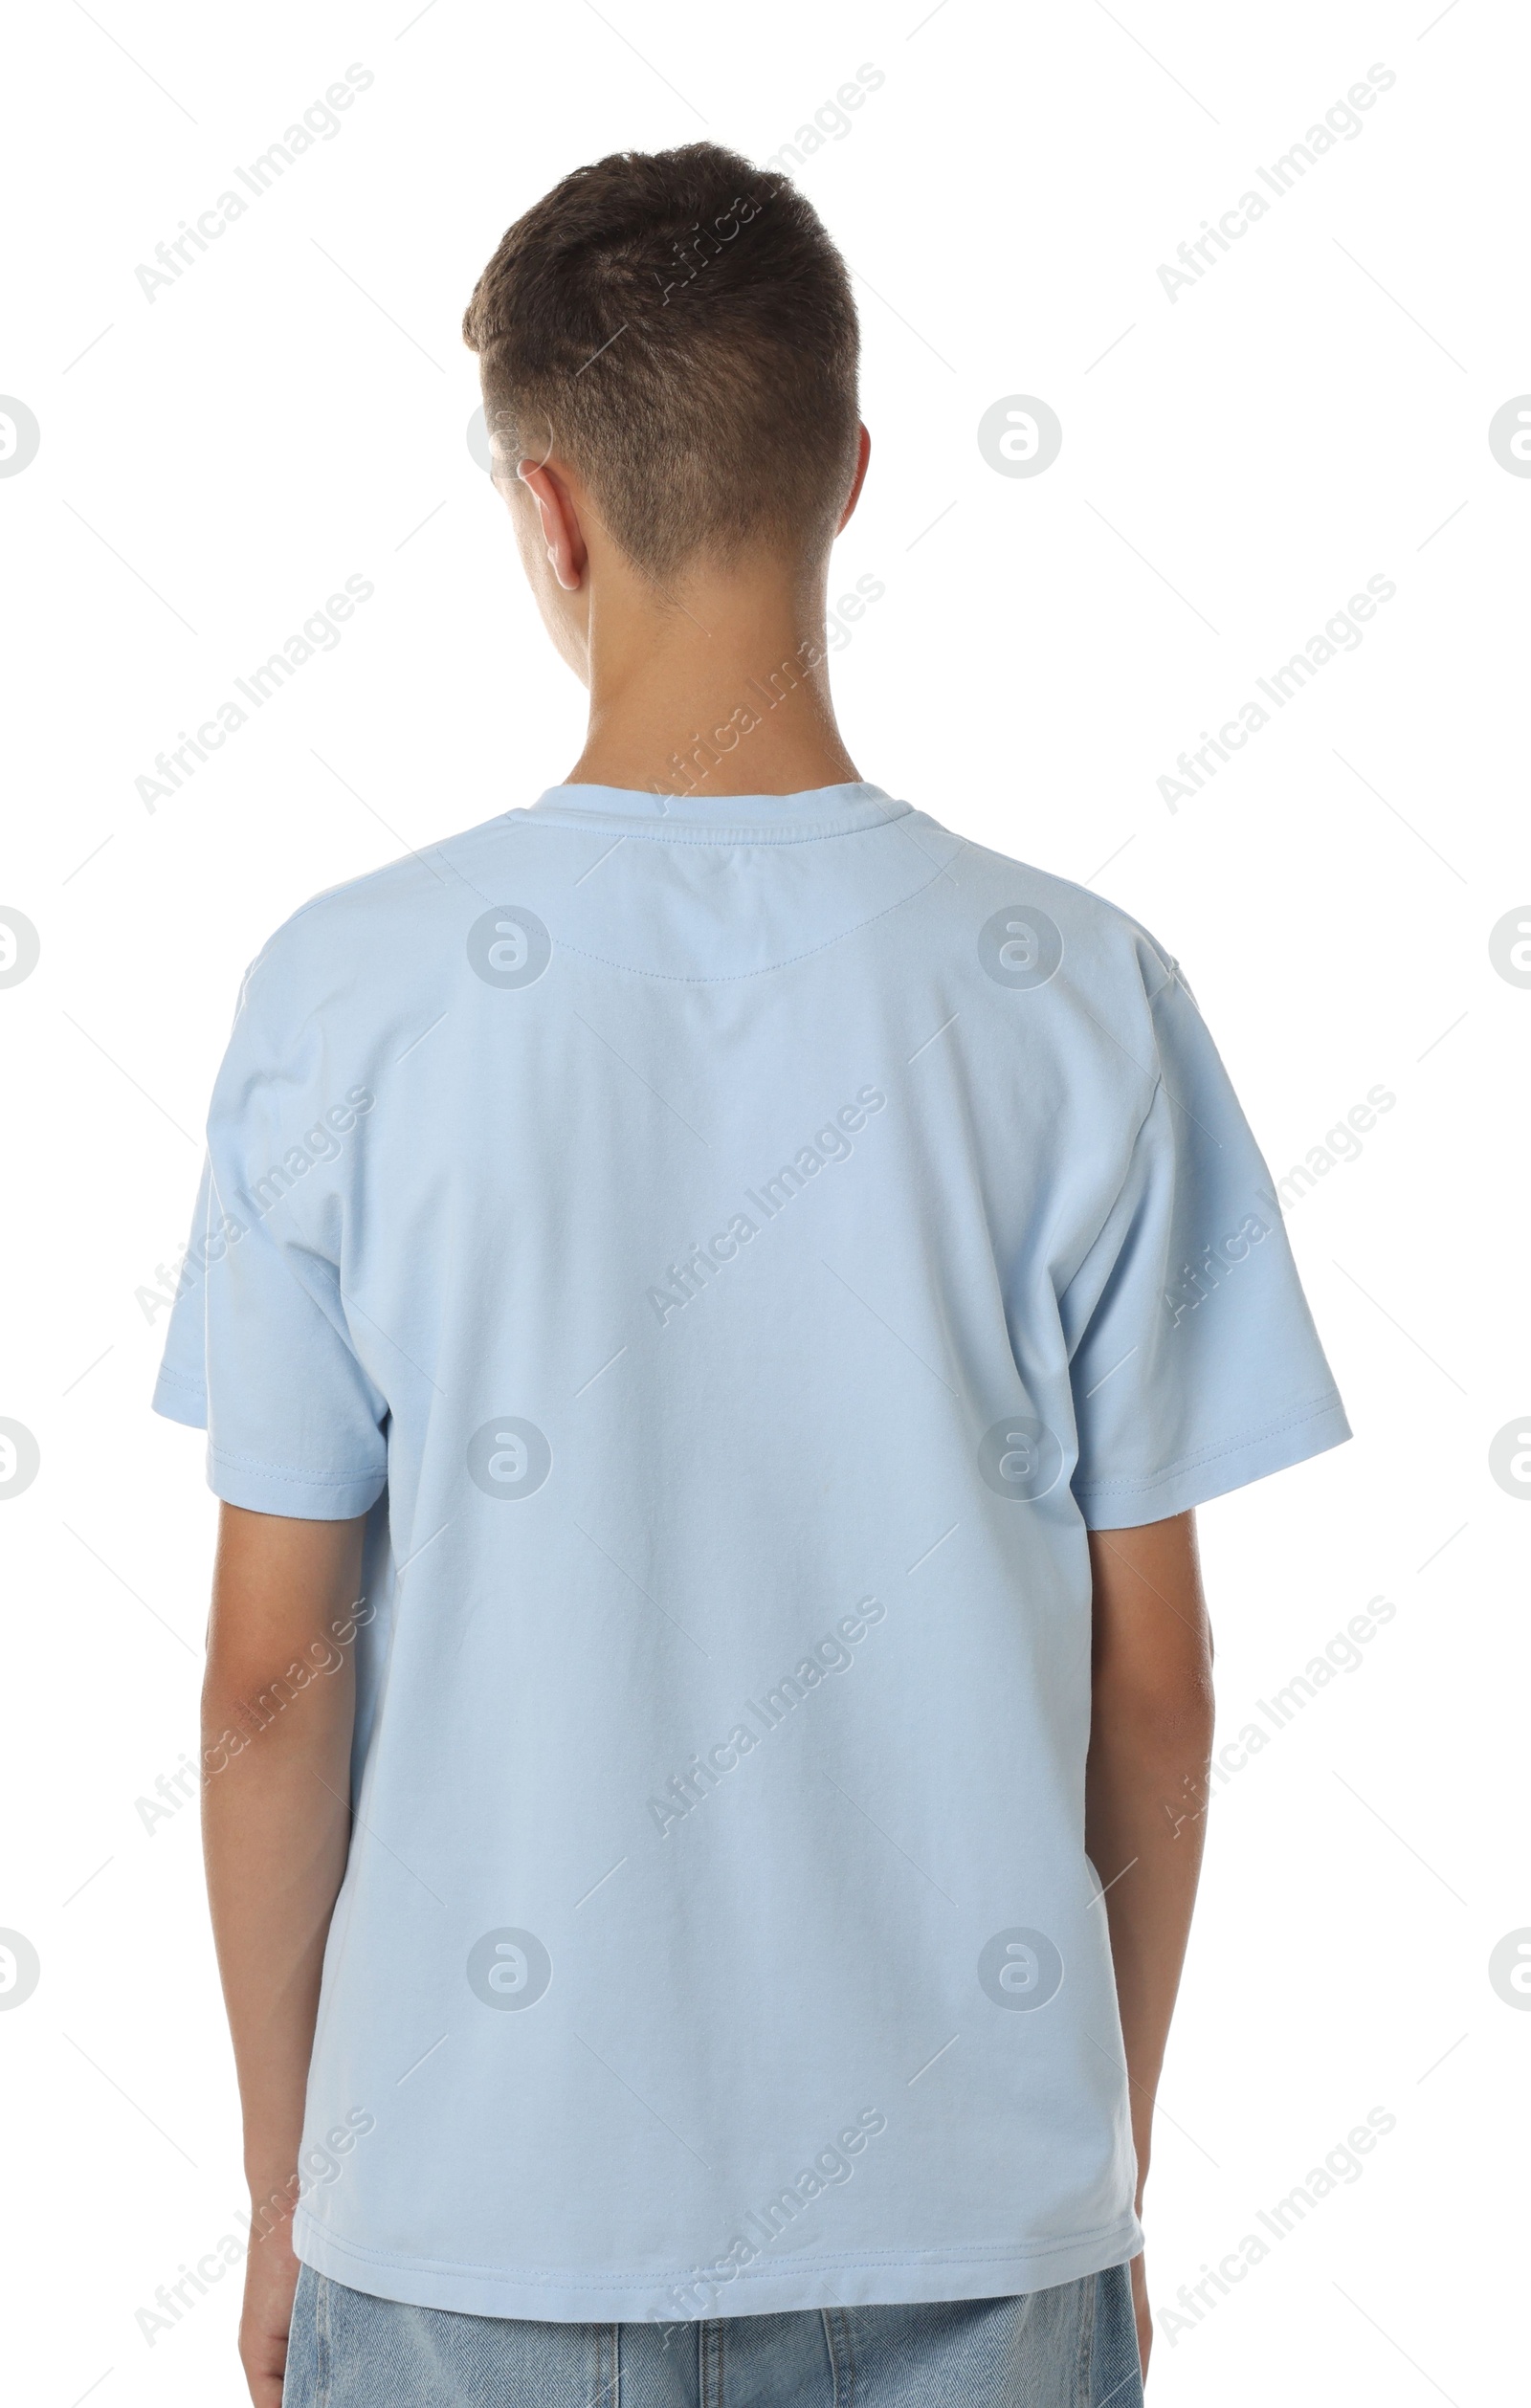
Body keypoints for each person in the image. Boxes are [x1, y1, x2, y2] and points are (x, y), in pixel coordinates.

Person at [153, 142, 1349, 2407]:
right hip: (968, 2234)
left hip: (467, 2231)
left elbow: (267, 1681)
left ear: (550, 510)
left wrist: (284, 2179)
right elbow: (1159, 1696)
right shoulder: (1078, 992)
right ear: (852, 477)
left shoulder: (348, 996)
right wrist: (1086, 2174)